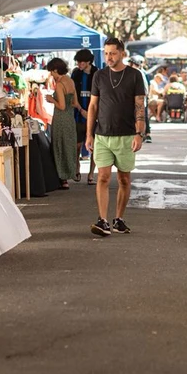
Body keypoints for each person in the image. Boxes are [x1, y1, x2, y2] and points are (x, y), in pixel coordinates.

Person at [85, 37, 146, 236]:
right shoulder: (99, 76)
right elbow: (93, 106)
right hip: (102, 134)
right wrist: (89, 134)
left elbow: (139, 106)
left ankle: (118, 218)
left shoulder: (134, 75)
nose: (109, 57)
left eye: (113, 53)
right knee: (102, 177)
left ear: (122, 53)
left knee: (124, 179)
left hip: (127, 135)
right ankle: (102, 220)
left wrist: (139, 133)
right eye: (106, 53)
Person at [46, 57, 79, 188]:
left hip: (60, 118)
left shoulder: (60, 84)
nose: (51, 75)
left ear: (55, 70)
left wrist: (51, 99)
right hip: (70, 118)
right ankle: (70, 173)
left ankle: (62, 178)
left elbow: (62, 106)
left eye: (51, 72)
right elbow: (74, 103)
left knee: (59, 146)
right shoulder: (70, 81)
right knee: (68, 146)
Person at [70, 49, 100, 183]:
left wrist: (94, 114)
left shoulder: (97, 74)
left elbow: (102, 96)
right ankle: (77, 168)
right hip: (78, 114)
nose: (79, 64)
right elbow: (72, 93)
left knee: (94, 145)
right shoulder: (76, 74)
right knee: (77, 144)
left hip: (95, 116)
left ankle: (91, 174)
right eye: (77, 61)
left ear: (88, 61)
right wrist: (80, 109)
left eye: (81, 61)